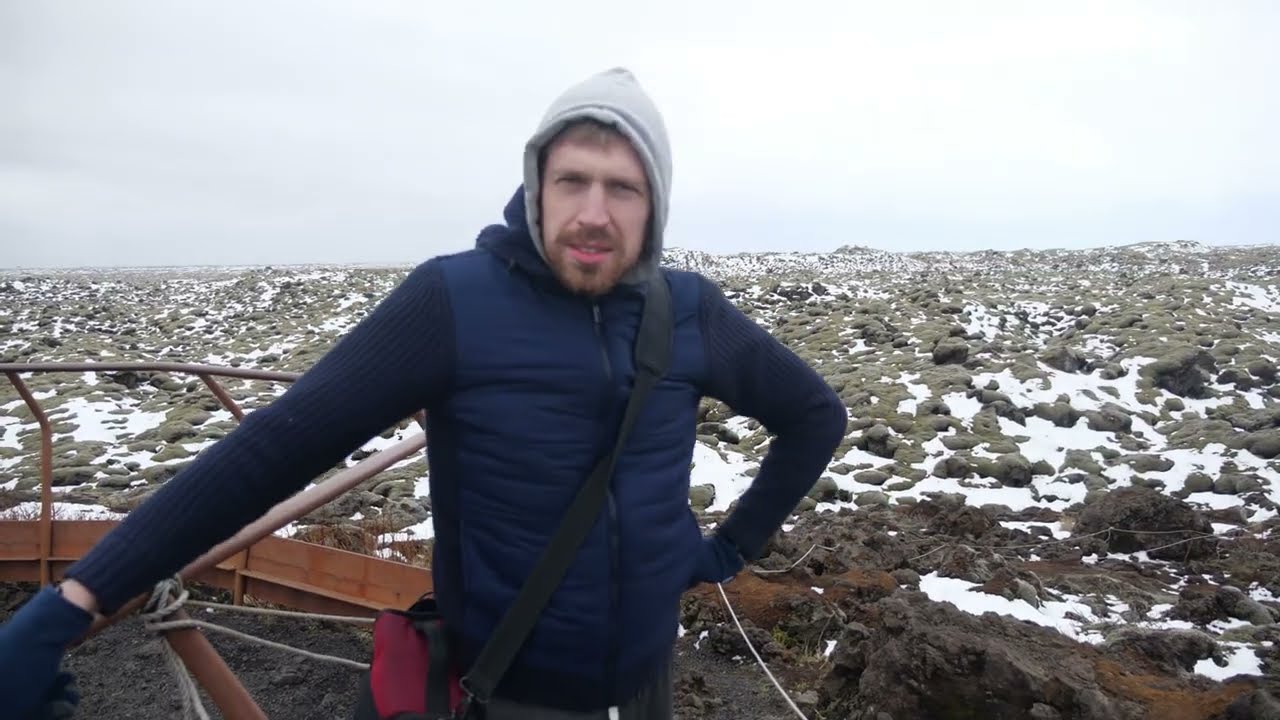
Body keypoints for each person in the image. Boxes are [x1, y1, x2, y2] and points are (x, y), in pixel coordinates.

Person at [0, 67, 847, 719]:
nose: (594, 212)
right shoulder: (453, 303)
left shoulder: (690, 311)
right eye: (572, 181)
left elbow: (815, 416)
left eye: (622, 188)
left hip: (647, 686)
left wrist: (724, 551)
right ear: (535, 185)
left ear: (654, 204)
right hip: (503, 690)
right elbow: (274, 449)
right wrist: (73, 601)